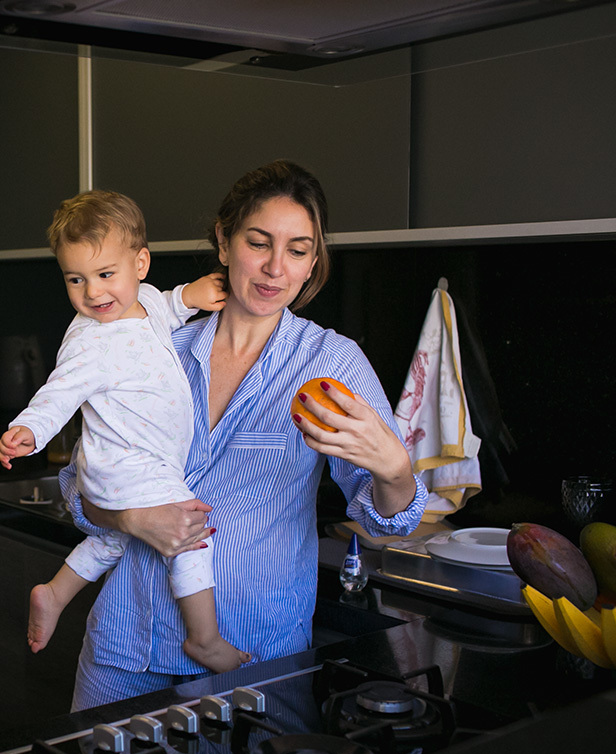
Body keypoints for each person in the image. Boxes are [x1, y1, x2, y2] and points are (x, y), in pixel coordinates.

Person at [60, 161, 428, 712]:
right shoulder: (154, 346)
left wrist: (395, 471)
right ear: (224, 243)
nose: (276, 268)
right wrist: (131, 519)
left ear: (312, 264)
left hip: (257, 663)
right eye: (259, 243)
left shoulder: (330, 362)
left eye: (298, 250)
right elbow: (78, 489)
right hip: (125, 651)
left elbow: (387, 519)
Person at [0, 189, 250, 674]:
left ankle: (55, 592)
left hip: (143, 462)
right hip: (125, 464)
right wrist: (30, 428)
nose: (93, 294)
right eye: (76, 280)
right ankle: (205, 639)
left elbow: (166, 308)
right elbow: (58, 393)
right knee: (193, 531)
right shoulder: (89, 340)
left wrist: (191, 296)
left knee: (114, 541)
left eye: (105, 275)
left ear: (141, 264)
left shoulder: (148, 302)